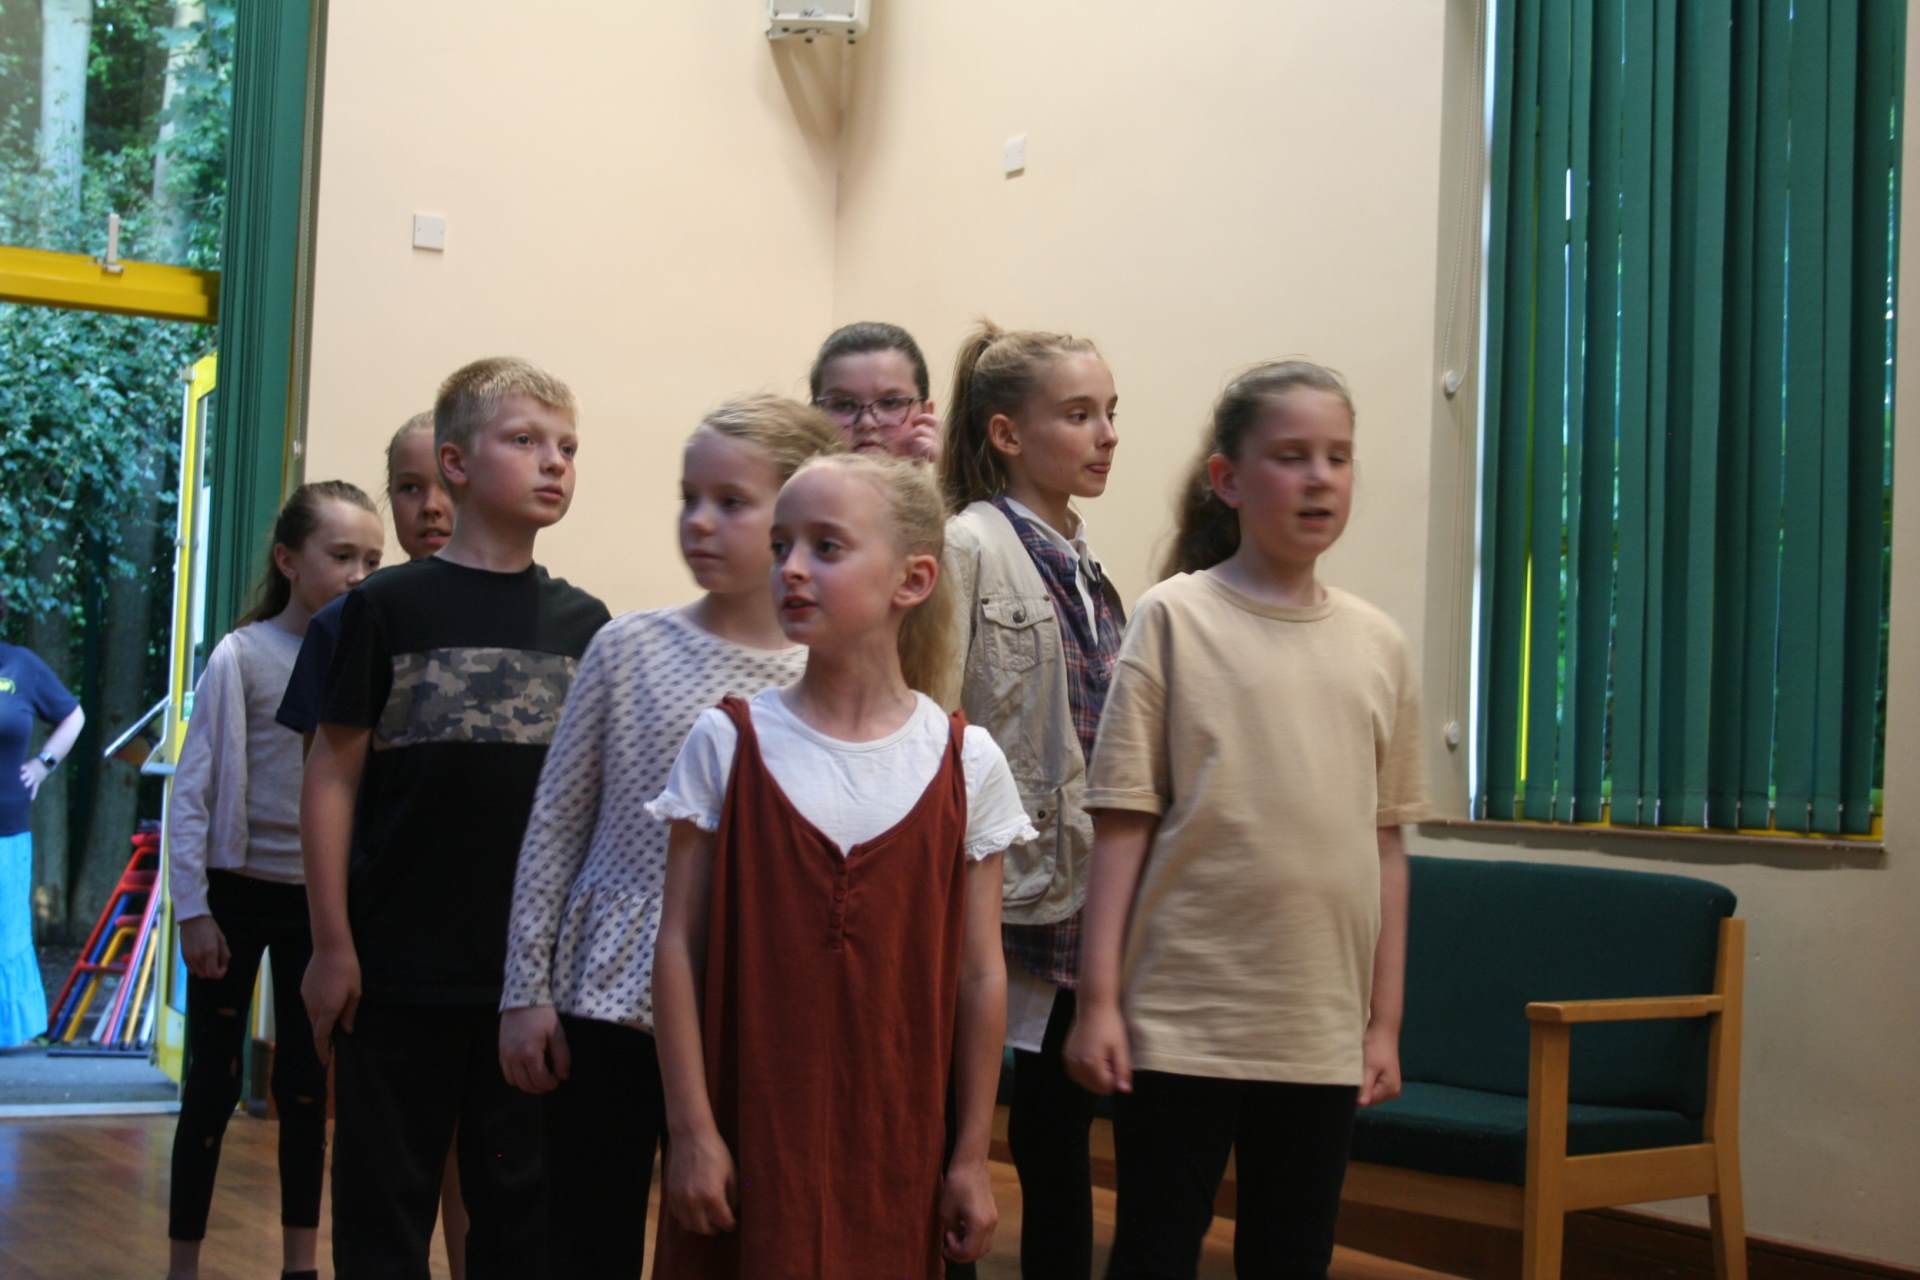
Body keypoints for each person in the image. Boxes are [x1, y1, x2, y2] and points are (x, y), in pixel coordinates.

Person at [1065, 362, 1427, 1279]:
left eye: (1338, 457)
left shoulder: (1379, 644)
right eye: (1291, 456)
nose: (1319, 478)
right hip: (1182, 1021)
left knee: (1291, 1255)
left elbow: (1386, 846)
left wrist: (1382, 1024)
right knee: (1154, 1250)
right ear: (1228, 480)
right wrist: (1099, 1002)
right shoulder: (1173, 618)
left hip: (1318, 1029)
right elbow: (1122, 825)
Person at [648, 454, 1024, 1279]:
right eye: (780, 545)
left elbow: (979, 975)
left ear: (912, 580)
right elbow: (677, 946)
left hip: (895, 1150)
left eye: (825, 547)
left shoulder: (967, 764)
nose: (790, 568)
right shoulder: (726, 743)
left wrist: (970, 1156)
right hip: (748, 1144)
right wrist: (692, 1131)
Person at [497, 396, 840, 1278]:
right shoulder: (627, 648)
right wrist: (526, 989)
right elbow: (556, 823)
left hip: (750, 1000)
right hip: (607, 996)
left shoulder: (825, 671)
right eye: (690, 497)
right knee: (585, 1235)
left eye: (732, 502)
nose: (700, 521)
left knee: (728, 1234)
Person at [300, 357, 610, 1278]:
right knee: (382, 1216)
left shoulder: (586, 624)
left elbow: (591, 808)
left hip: (526, 984)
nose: (554, 462)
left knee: (518, 1220)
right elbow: (331, 778)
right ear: (456, 463)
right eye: (526, 441)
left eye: (568, 448)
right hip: (395, 973)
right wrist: (331, 944)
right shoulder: (382, 609)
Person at [936, 320, 1122, 1278]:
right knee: (953, 1134)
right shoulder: (965, 545)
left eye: (1111, 413)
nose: (1106, 435)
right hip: (989, 889)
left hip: (1073, 890)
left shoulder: (1090, 568)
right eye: (1079, 414)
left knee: (1058, 1139)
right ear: (1007, 434)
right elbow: (934, 722)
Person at [164, 480, 385, 1280]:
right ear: (289, 561)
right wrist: (193, 909)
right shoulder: (243, 655)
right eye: (341, 555)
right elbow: (193, 790)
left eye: (373, 560)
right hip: (237, 894)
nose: (358, 574)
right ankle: (183, 1264)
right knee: (212, 1085)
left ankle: (300, 1264)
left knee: (304, 1087)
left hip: (318, 906)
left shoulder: (369, 657)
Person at [274, 412, 471, 1279]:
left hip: (491, 954)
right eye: (408, 488)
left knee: (484, 1173)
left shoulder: (544, 618)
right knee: (388, 1177)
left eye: (443, 483)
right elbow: (323, 785)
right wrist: (333, 939)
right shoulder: (350, 623)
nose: (431, 507)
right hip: (387, 948)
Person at [0, 601, 85, 1048]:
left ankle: (8, 1030)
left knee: (6, 930)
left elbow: (74, 716)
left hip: (6, 826)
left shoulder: (22, 666)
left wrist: (44, 763)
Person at [810, 321, 944, 462]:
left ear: (926, 414)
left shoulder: (950, 473)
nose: (867, 423)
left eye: (890, 403)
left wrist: (946, 467)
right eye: (843, 405)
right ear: (812, 417)